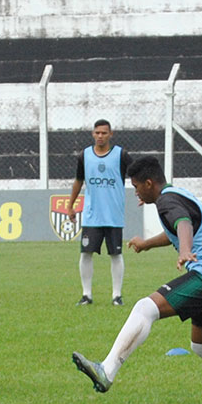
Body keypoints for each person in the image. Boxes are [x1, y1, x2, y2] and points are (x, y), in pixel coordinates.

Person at [71, 156, 202, 404]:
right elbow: (180, 223)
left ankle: (107, 371)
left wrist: (185, 249)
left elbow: (182, 223)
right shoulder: (176, 195)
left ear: (149, 183)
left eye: (137, 187)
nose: (136, 192)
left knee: (145, 308)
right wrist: (147, 244)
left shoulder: (167, 201)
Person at [65, 119, 132, 306]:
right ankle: (87, 295)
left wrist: (142, 194)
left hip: (114, 215)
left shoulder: (121, 155)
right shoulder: (84, 155)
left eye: (104, 133)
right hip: (92, 215)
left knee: (116, 255)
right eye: (97, 133)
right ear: (93, 134)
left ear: (111, 134)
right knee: (86, 253)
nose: (100, 136)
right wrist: (70, 205)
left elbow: (136, 174)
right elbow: (78, 181)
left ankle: (116, 296)